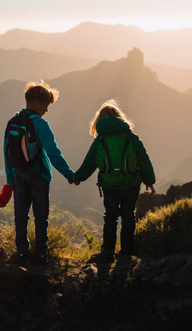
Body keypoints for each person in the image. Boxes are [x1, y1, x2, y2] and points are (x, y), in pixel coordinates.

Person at [73, 99, 155, 263]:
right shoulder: (130, 137)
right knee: (128, 216)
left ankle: (108, 252)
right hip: (131, 184)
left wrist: (78, 177)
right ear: (119, 117)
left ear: (99, 120)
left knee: (110, 218)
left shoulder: (100, 139)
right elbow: (143, 159)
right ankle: (127, 252)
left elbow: (90, 162)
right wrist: (149, 180)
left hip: (109, 185)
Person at [4, 81, 77, 263]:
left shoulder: (12, 122)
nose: (46, 110)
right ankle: (41, 253)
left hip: (19, 174)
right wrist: (69, 174)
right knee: (41, 217)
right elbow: (53, 152)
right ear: (36, 103)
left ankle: (21, 251)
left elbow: (6, 151)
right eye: (45, 105)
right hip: (39, 175)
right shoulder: (40, 124)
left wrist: (9, 178)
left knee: (20, 215)